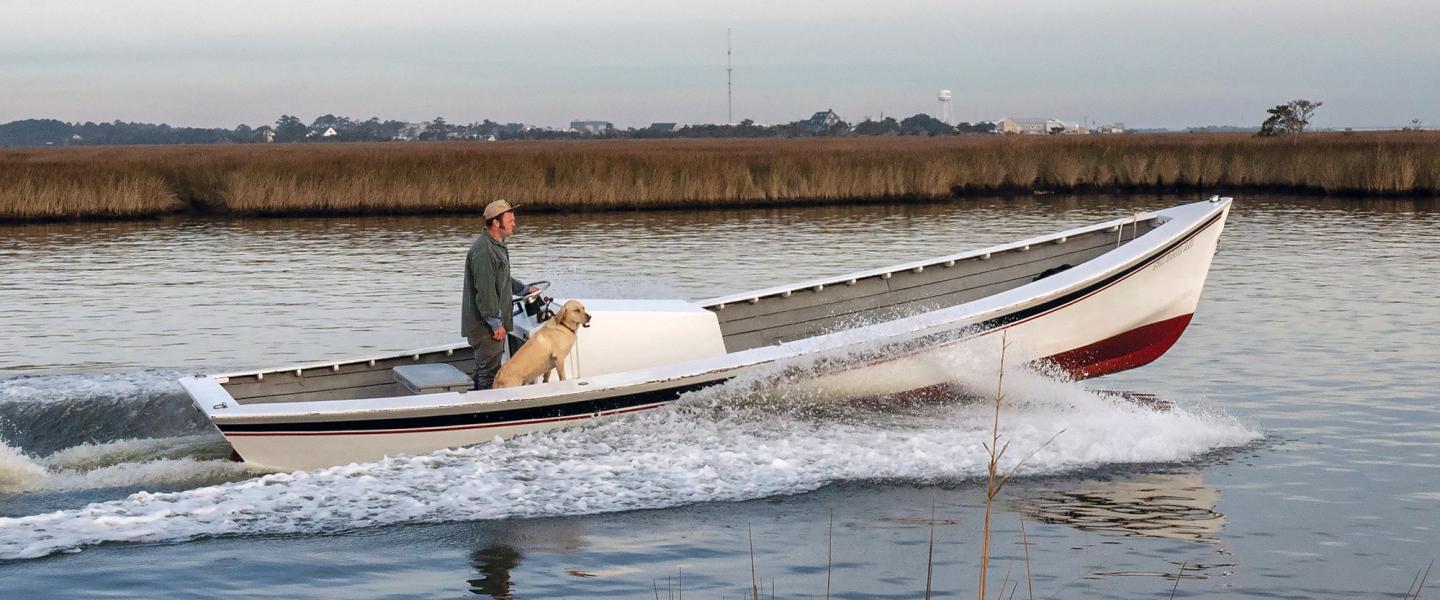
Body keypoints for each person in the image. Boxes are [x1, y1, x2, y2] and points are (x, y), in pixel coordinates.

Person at [462, 200, 534, 389]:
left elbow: (502, 279)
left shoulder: (496, 245)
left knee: (483, 370)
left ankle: (476, 405)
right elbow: (484, 292)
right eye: (510, 221)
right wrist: (495, 323)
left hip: (491, 325)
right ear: (496, 223)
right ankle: (484, 412)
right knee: (489, 373)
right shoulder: (484, 251)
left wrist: (524, 289)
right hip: (486, 328)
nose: (514, 224)